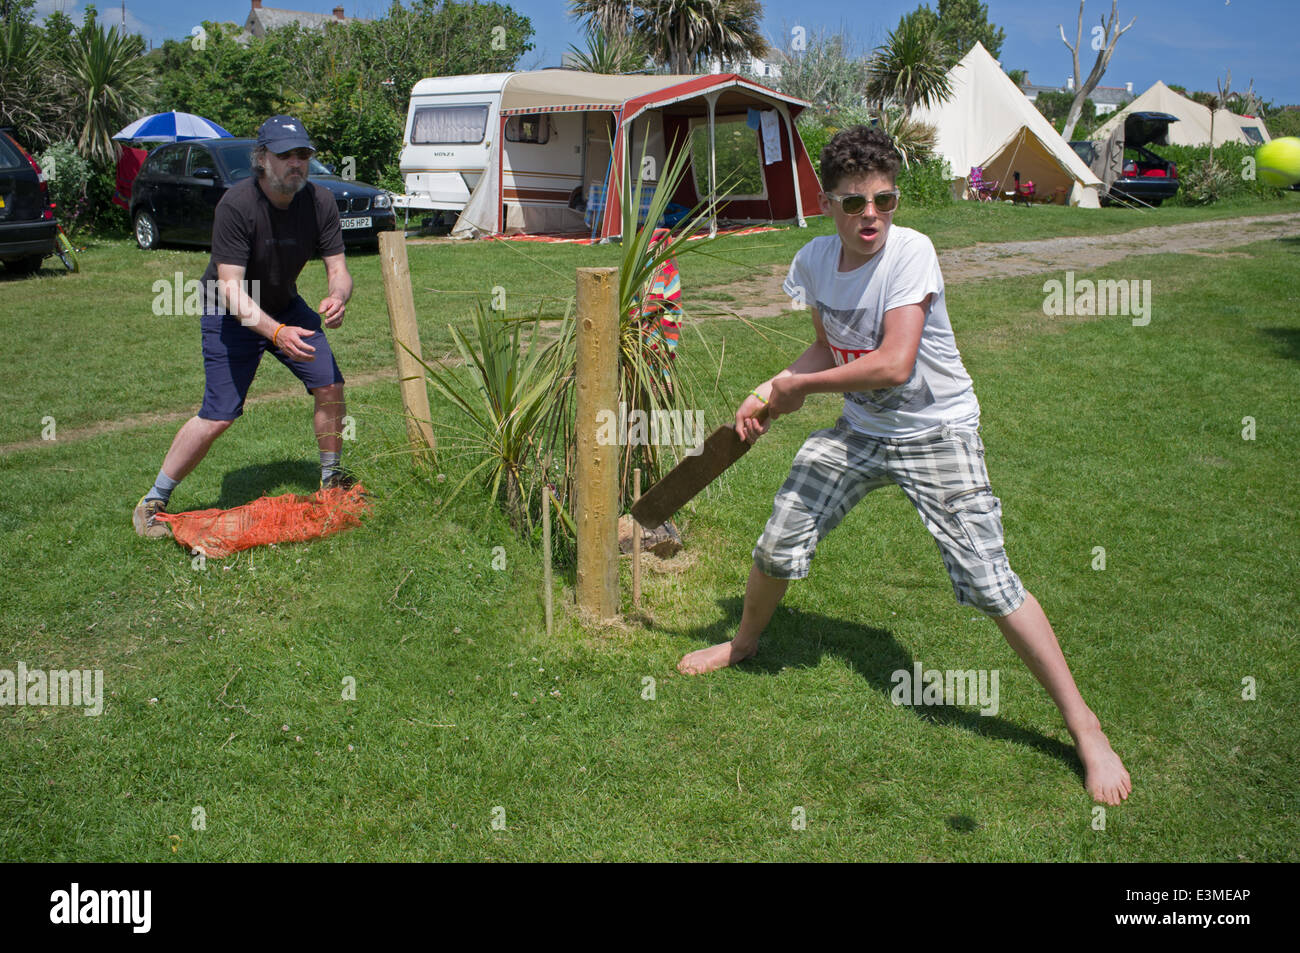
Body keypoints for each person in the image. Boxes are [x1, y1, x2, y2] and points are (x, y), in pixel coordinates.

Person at [676, 126, 1132, 806]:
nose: (872, 216)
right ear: (827, 202)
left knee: (987, 578)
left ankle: (1084, 724)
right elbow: (829, 351)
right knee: (779, 538)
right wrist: (772, 389)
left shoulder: (911, 252)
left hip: (935, 431)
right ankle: (744, 641)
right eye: (855, 202)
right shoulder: (815, 262)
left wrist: (795, 392)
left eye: (885, 200)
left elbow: (894, 362)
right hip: (861, 430)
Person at [133, 115, 354, 538]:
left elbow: (340, 270)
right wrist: (275, 333)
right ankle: (153, 500)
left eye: (303, 154)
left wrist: (337, 296)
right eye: (284, 155)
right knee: (219, 414)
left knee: (330, 385)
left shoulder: (320, 202)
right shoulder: (236, 205)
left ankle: (331, 480)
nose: (296, 162)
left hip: (283, 303)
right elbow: (233, 291)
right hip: (228, 310)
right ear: (262, 159)